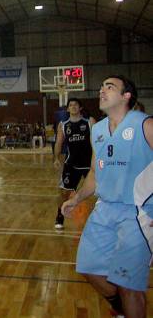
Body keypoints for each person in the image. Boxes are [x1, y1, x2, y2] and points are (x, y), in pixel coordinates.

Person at [62, 76, 152, 318]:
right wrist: (77, 199)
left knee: (128, 285)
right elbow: (94, 172)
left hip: (137, 213)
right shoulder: (98, 129)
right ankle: (122, 309)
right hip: (104, 209)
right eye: (101, 86)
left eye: (110, 87)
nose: (102, 90)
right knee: (89, 268)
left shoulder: (145, 124)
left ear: (126, 96)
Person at [53, 98, 95, 230]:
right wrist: (56, 158)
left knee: (98, 192)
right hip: (71, 164)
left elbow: (96, 142)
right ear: (67, 109)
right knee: (63, 192)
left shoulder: (89, 122)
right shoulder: (63, 125)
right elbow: (58, 143)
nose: (73, 107)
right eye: (70, 105)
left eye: (76, 104)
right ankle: (60, 215)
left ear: (80, 107)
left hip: (89, 164)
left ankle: (99, 219)